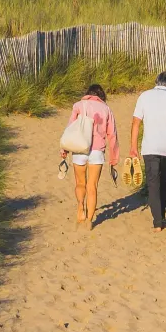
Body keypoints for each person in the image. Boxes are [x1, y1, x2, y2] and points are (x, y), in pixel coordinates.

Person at [128, 71, 166, 230]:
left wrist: (133, 146)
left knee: (153, 183)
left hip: (150, 147)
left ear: (157, 82)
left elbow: (136, 122)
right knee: (163, 181)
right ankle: (160, 216)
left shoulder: (144, 96)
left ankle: (158, 221)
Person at [61, 83, 118, 229]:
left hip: (80, 148)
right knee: (92, 186)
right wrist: (114, 157)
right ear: (101, 96)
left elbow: (70, 128)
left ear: (88, 93)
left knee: (80, 183)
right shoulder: (106, 109)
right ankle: (90, 220)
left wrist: (64, 149)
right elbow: (112, 135)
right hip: (97, 151)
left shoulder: (79, 105)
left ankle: (81, 207)